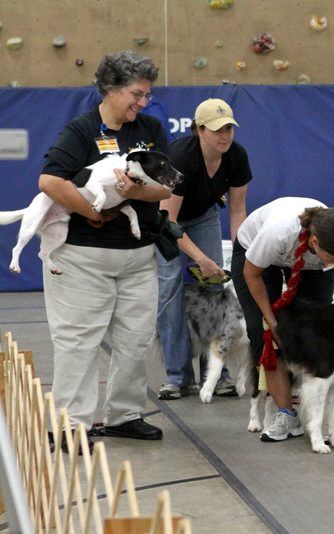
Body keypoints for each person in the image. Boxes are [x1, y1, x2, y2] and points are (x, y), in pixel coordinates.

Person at [39, 51, 171, 449]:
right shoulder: (80, 131)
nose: (143, 102)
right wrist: (92, 213)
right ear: (110, 89)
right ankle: (70, 425)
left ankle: (124, 414)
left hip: (138, 257)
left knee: (136, 339)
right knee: (78, 342)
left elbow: (166, 187)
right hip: (82, 260)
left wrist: (137, 191)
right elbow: (50, 180)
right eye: (136, 93)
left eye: (147, 95)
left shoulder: (149, 128)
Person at [231, 197, 334, 441]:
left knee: (319, 334)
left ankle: (315, 415)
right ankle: (286, 414)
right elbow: (251, 274)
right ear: (315, 242)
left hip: (314, 268)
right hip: (258, 260)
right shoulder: (278, 232)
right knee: (264, 334)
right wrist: (271, 321)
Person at [156, 98, 252, 400]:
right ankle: (177, 376)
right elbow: (169, 221)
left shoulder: (236, 157)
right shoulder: (181, 158)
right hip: (165, 222)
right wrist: (201, 259)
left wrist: (242, 254)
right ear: (199, 130)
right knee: (171, 291)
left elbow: (238, 212)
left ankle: (219, 374)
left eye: (228, 128)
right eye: (216, 130)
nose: (224, 136)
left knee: (213, 292)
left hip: (204, 216)